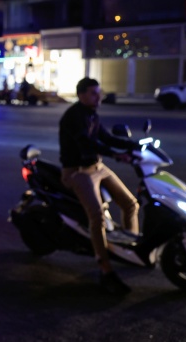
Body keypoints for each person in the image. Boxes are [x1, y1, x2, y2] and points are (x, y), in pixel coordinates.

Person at [59, 77, 139, 295]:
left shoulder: (92, 114)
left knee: (131, 204)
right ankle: (105, 270)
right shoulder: (74, 117)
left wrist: (135, 145)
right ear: (82, 95)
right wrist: (115, 154)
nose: (99, 96)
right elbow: (87, 142)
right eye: (94, 93)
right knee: (97, 217)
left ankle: (128, 251)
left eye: (99, 92)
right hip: (77, 172)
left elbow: (106, 137)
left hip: (97, 167)